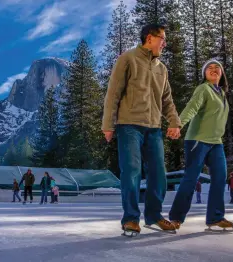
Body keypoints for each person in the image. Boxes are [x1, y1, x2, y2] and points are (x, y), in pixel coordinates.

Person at [102, 24, 181, 234]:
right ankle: (130, 218)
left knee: (158, 173)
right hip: (129, 126)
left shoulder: (161, 69)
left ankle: (154, 216)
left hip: (153, 127)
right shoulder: (128, 59)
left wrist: (174, 121)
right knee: (132, 170)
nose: (164, 42)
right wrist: (108, 125)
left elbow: (167, 100)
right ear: (149, 38)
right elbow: (113, 93)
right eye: (162, 38)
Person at [169, 59, 233, 231]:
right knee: (191, 178)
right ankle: (176, 218)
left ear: (222, 73)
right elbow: (192, 107)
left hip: (216, 143)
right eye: (209, 68)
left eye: (217, 67)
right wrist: (178, 124)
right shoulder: (203, 89)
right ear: (204, 74)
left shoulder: (221, 93)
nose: (213, 70)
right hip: (197, 140)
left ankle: (215, 217)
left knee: (220, 178)